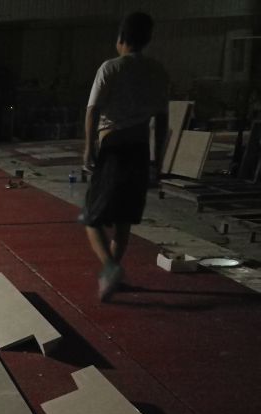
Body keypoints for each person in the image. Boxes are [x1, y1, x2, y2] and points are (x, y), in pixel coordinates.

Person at [82, 12, 169, 301]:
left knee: (90, 217)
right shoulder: (157, 70)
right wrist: (158, 160)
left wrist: (89, 147)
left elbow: (93, 110)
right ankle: (112, 276)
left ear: (121, 38)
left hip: (114, 147)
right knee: (124, 219)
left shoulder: (111, 68)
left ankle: (110, 268)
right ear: (148, 39)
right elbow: (162, 119)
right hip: (140, 148)